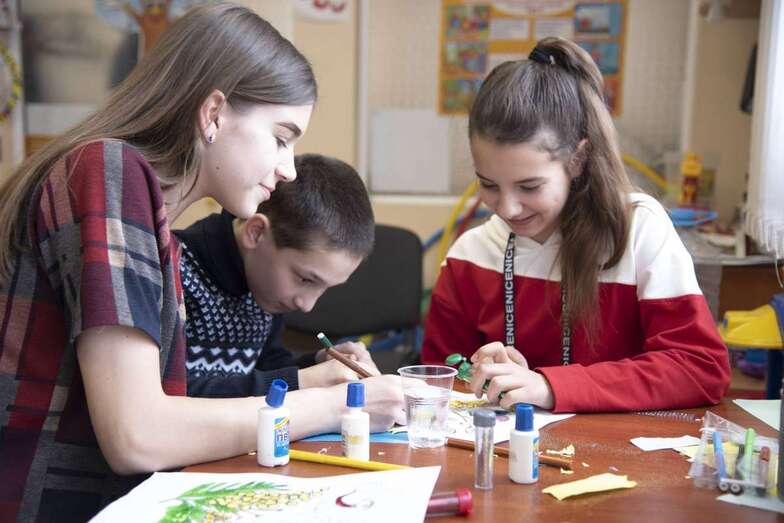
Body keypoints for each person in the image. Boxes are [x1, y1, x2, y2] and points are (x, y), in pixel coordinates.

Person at [0, 5, 402, 521]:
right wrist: (338, 405)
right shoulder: (110, 171)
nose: (287, 169)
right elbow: (137, 435)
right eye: (281, 138)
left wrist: (313, 383)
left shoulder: (150, 214)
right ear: (213, 114)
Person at [420, 37, 730, 413]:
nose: (507, 207)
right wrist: (477, 375)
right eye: (488, 184)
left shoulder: (637, 230)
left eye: (529, 186)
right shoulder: (470, 255)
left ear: (577, 159)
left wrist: (549, 386)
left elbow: (700, 368)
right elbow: (437, 378)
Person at [177, 153, 380, 398]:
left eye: (326, 287)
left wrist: (319, 364)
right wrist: (299, 381)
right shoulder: (172, 271)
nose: (307, 305)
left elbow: (265, 365)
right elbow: (167, 398)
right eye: (305, 279)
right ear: (256, 233)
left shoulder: (263, 283)